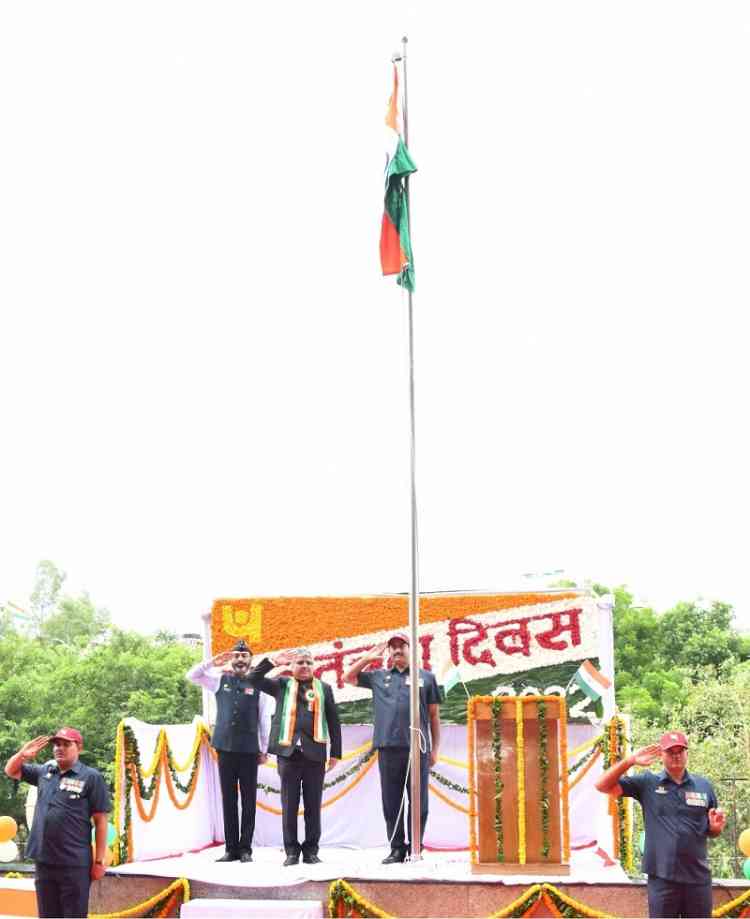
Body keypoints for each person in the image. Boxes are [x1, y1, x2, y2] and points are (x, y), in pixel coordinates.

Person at [595, 729, 726, 918]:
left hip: (697, 878)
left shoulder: (703, 786)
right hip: (662, 878)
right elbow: (601, 785)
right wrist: (629, 761)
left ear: (687, 753)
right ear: (661, 755)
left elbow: (711, 830)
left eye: (680, 751)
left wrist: (715, 828)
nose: (676, 756)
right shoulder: (647, 783)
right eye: (670, 752)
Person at [343, 632, 441, 864]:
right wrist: (368, 658)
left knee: (419, 802)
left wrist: (435, 749)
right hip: (388, 748)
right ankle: (397, 849)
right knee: (392, 802)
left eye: (402, 646)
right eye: (393, 647)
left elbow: (435, 716)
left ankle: (416, 847)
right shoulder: (378, 677)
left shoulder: (426, 678)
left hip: (417, 748)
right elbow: (348, 677)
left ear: (412, 649)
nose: (397, 650)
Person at [4, 727, 111, 919]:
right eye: (56, 744)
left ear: (79, 747)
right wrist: (22, 755)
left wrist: (99, 861)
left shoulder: (91, 777)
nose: (59, 748)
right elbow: (10, 770)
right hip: (44, 860)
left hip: (74, 863)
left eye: (66, 744)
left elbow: (101, 821)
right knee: (47, 915)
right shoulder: (46, 771)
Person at [249, 647, 342, 866]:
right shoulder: (281, 684)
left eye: (309, 662)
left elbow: (334, 721)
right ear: (292, 666)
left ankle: (311, 851)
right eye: (300, 662)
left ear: (314, 666)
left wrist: (336, 753)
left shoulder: (324, 689)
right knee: (289, 805)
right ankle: (291, 851)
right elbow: (253, 678)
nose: (304, 666)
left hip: (315, 755)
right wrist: (272, 661)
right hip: (288, 754)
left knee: (313, 805)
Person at [186, 638, 272, 863]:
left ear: (250, 660)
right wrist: (211, 662)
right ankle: (231, 848)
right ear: (231, 660)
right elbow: (192, 676)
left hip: (249, 750)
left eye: (244, 656)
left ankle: (246, 849)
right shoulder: (219, 680)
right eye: (236, 656)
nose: (240, 659)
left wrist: (264, 749)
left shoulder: (259, 684)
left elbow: (264, 719)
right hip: (225, 748)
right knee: (229, 799)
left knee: (248, 800)